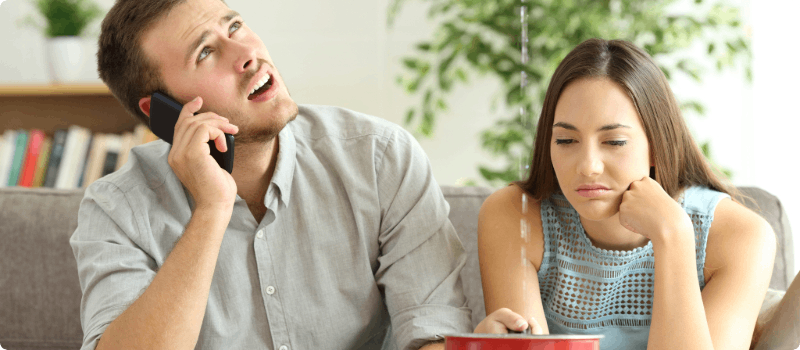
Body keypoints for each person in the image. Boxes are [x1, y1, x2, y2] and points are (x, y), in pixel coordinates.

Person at [69, 0, 472, 349]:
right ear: (160, 111)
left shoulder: (379, 157)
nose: (246, 54)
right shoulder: (116, 209)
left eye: (235, 26)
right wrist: (212, 209)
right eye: (205, 52)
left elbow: (434, 330)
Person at [473, 38, 781, 349]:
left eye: (615, 142)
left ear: (656, 146)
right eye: (566, 140)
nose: (588, 166)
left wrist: (672, 237)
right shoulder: (515, 215)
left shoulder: (742, 236)